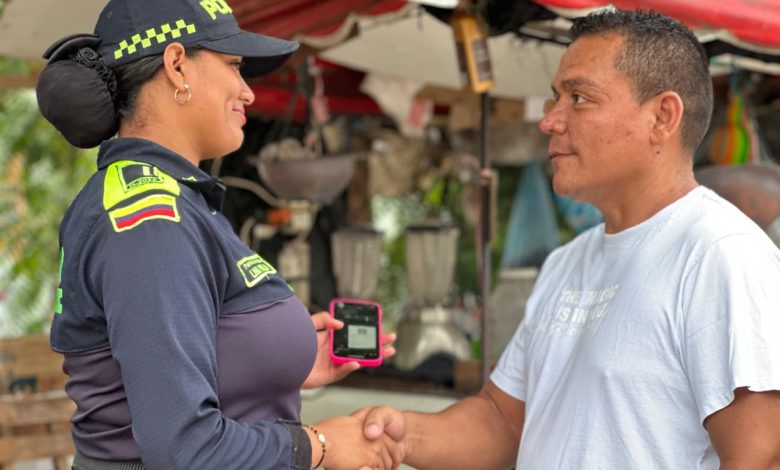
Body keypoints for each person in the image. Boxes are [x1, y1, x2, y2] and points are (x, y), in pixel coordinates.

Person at [358, 9, 780, 469]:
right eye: (556, 97)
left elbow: (759, 458)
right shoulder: (567, 261)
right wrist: (401, 435)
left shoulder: (721, 254)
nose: (550, 121)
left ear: (663, 116)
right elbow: (503, 421)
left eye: (579, 98)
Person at [36, 1, 401, 469]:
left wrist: (273, 359)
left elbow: (169, 358)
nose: (248, 92)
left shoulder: (176, 198)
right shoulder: (151, 222)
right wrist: (320, 445)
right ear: (176, 65)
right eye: (233, 65)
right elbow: (185, 447)